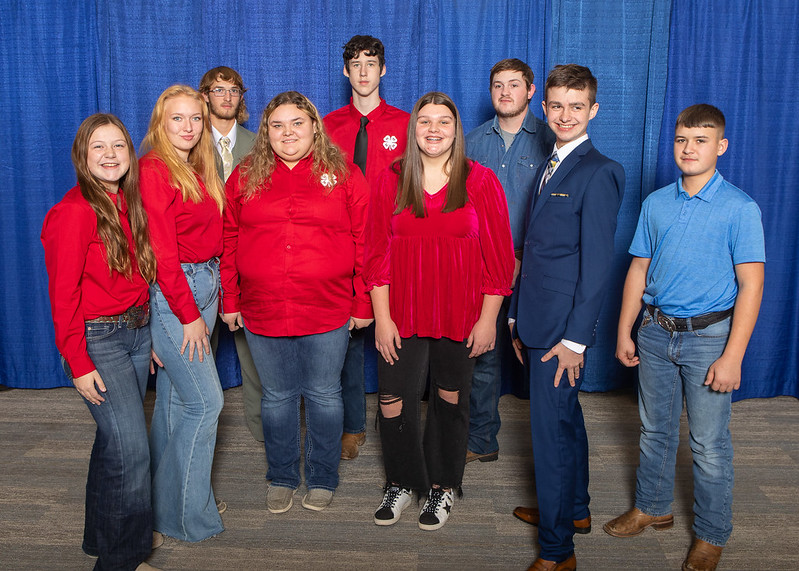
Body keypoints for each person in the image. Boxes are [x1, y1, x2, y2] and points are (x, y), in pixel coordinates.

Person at [604, 104, 765, 571]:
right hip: (655, 332)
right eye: (681, 140)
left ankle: (712, 534)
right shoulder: (656, 203)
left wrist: (733, 355)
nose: (689, 148)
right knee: (654, 429)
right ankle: (652, 507)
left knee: (708, 444)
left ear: (721, 146)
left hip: (709, 338)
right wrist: (625, 330)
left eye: (700, 140)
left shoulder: (739, 207)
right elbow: (638, 269)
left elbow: (752, 285)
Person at [365, 92, 514, 531]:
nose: (433, 129)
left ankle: (443, 486)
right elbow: (375, 255)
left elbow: (499, 259)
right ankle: (402, 481)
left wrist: (488, 319)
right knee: (393, 401)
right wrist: (383, 318)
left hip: (460, 315)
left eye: (443, 121)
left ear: (456, 129)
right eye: (424, 121)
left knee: (450, 402)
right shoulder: (390, 179)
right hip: (401, 314)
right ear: (413, 129)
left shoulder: (480, 181)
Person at [220, 91, 373, 514]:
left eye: (297, 124)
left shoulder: (344, 174)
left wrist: (363, 304)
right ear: (266, 132)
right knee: (277, 397)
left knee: (324, 395)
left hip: (327, 307)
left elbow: (366, 240)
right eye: (277, 125)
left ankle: (322, 476)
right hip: (263, 307)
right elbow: (229, 238)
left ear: (314, 127)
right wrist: (229, 298)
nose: (288, 133)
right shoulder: (246, 175)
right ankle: (282, 475)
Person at [509, 64, 625, 570]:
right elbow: (533, 252)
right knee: (565, 423)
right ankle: (573, 510)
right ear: (544, 107)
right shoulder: (550, 163)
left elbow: (598, 267)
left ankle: (558, 553)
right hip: (535, 317)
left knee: (550, 436)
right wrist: (516, 317)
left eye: (576, 106)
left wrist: (576, 341)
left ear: (593, 110)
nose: (565, 115)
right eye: (556, 105)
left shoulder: (600, 171)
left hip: (562, 331)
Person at [42, 113, 160, 570]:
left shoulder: (126, 203)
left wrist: (145, 331)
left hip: (134, 332)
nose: (110, 156)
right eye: (99, 148)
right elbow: (63, 295)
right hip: (98, 341)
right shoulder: (73, 212)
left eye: (118, 147)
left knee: (113, 443)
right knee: (132, 451)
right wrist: (77, 361)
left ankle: (98, 537)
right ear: (82, 156)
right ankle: (121, 561)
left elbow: (135, 279)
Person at [139, 84, 226, 542]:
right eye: (178, 118)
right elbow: (162, 256)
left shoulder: (197, 165)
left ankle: (165, 502)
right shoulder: (154, 170)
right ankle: (187, 515)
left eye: (196, 117)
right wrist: (187, 315)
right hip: (180, 293)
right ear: (160, 122)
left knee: (174, 402)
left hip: (204, 286)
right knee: (207, 403)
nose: (189, 127)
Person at [464, 57, 554, 464]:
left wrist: (522, 257)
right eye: (498, 85)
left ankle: (548, 454)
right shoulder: (470, 141)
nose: (505, 92)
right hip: (480, 265)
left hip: (534, 266)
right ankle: (481, 440)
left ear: (530, 91)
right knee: (483, 353)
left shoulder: (551, 141)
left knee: (539, 354)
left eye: (514, 85)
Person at [324, 34, 409, 460]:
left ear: (383, 70)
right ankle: (352, 424)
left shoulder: (406, 123)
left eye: (370, 63)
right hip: (344, 242)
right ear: (345, 71)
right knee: (351, 335)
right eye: (355, 63)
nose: (362, 70)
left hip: (394, 242)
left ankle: (395, 414)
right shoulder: (327, 125)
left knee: (397, 331)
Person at [199, 66, 263, 443]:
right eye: (218, 89)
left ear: (241, 96)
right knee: (197, 353)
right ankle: (199, 433)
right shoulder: (188, 144)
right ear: (204, 95)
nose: (226, 97)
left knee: (256, 359)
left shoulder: (260, 144)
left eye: (234, 90)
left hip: (245, 264)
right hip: (202, 266)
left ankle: (264, 431)